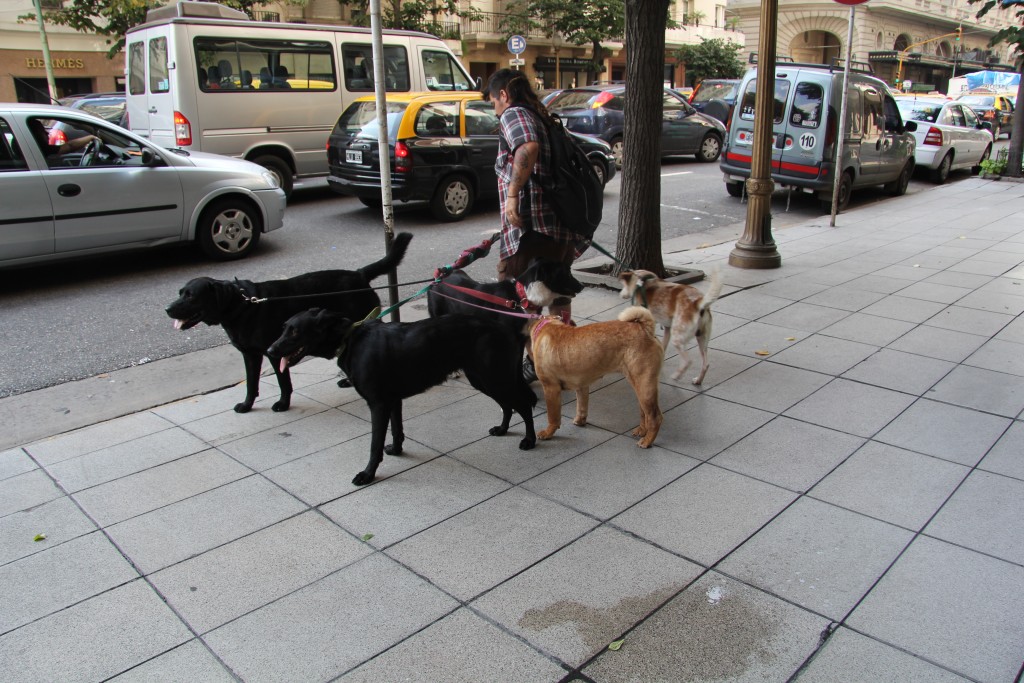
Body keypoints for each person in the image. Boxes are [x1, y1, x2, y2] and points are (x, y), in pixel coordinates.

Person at [486, 68, 586, 380]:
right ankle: (562, 357)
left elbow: (527, 147)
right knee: (557, 292)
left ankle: (530, 361)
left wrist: (513, 195)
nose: (495, 109)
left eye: (493, 102)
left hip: (530, 229)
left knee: (515, 294)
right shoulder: (542, 115)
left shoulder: (514, 113)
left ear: (503, 94)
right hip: (558, 225)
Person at [27, 118, 101, 164]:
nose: (47, 133)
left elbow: (69, 146)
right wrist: (91, 137)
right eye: (42, 131)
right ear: (35, 134)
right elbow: (69, 146)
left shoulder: (32, 149)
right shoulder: (41, 149)